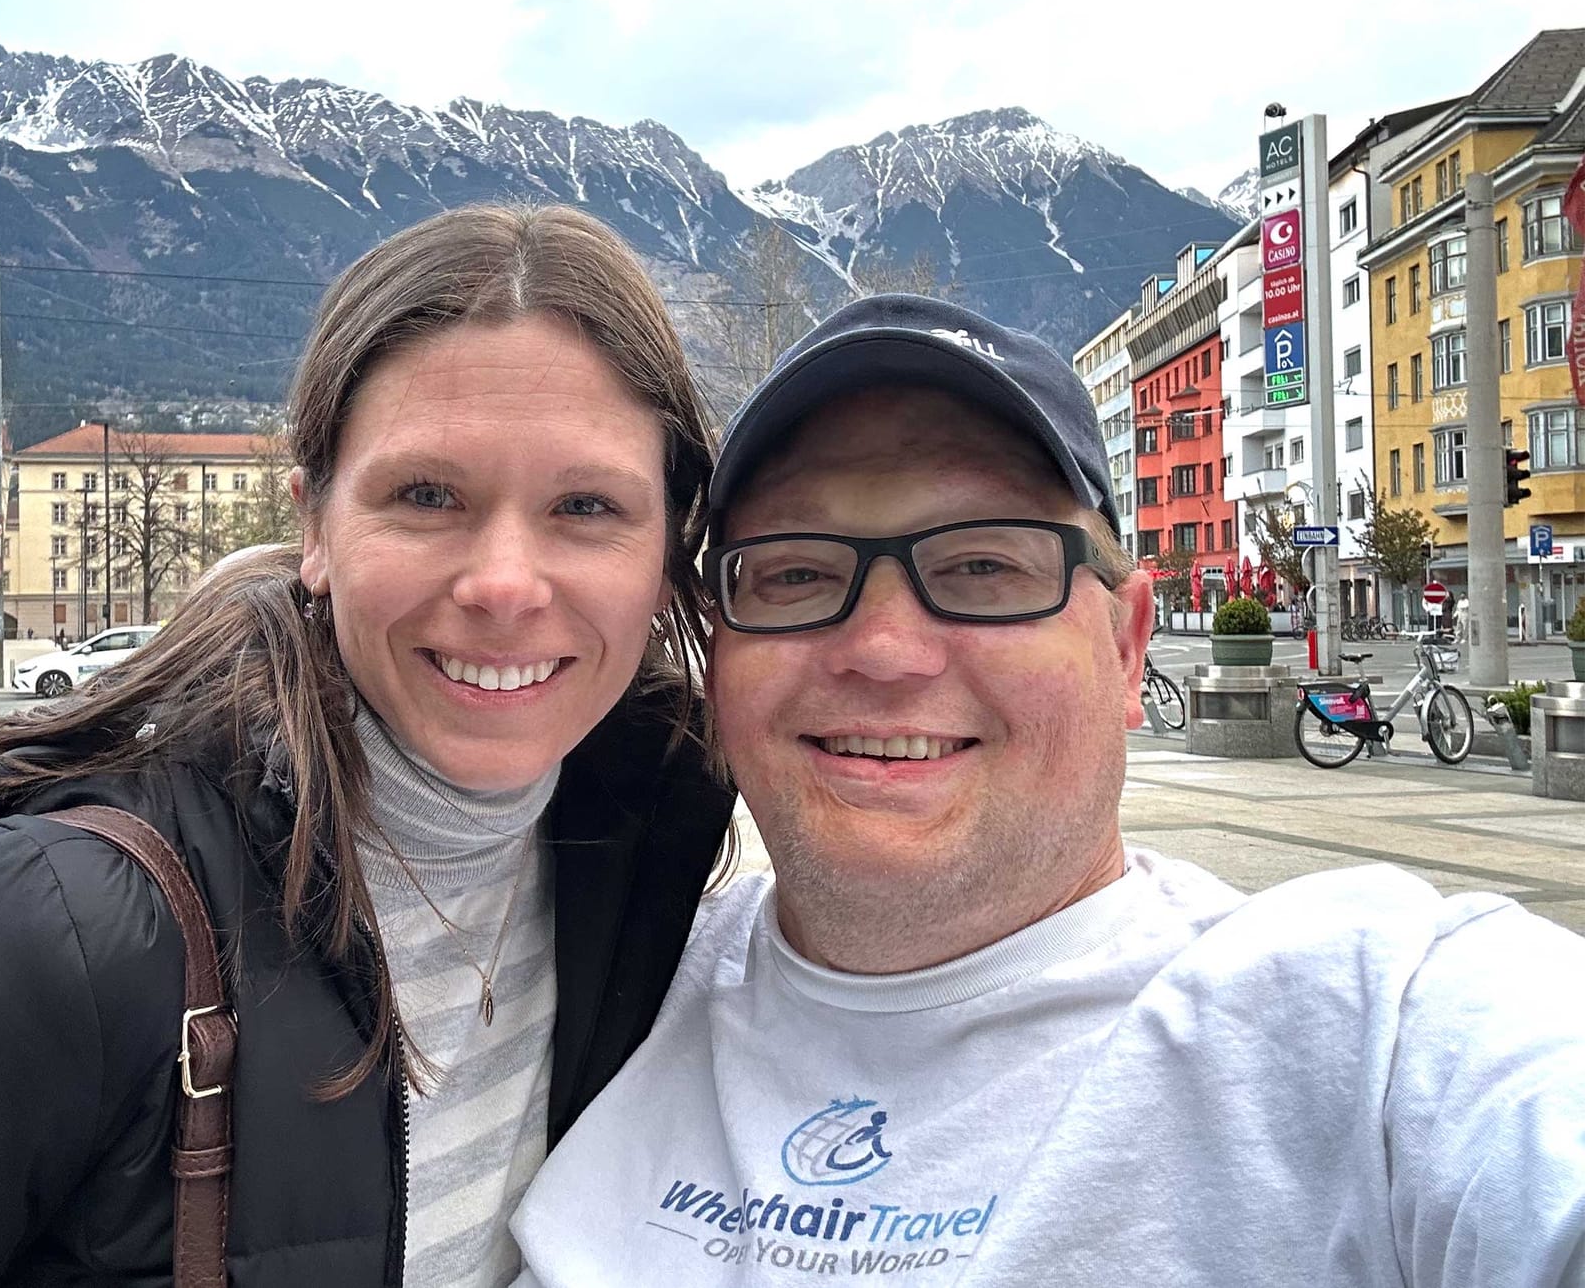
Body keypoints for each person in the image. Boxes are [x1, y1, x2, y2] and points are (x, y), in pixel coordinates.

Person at [0, 205, 736, 1287]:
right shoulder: (31, 932)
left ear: (667, 548)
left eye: (586, 506)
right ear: (315, 526)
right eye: (427, 493)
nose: (501, 582)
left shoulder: (647, 850)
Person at [510, 295, 1585, 1285]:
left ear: (1124, 648)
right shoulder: (602, 977)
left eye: (984, 565)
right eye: (793, 572)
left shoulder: (1375, 1030)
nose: (883, 648)